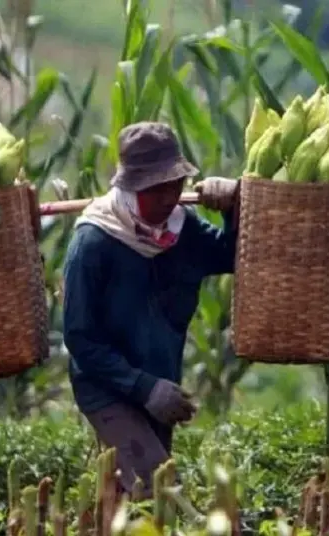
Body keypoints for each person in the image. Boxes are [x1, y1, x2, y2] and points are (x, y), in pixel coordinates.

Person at [62, 121, 239, 498]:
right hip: (108, 388)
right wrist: (144, 388)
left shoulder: (182, 229)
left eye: (174, 185)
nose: (168, 198)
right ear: (129, 187)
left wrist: (235, 206)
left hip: (160, 380)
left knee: (128, 499)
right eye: (155, 189)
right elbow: (79, 339)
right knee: (158, 492)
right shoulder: (94, 242)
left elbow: (231, 254)